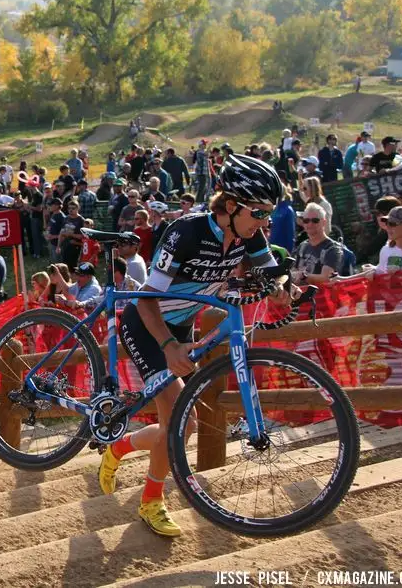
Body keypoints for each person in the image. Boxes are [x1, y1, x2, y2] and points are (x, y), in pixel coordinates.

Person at [100, 154, 285, 537]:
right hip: (148, 324)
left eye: (269, 214)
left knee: (178, 426)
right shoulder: (186, 232)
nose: (265, 222)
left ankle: (119, 448)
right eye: (259, 212)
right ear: (231, 206)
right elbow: (147, 298)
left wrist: (286, 290)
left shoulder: (249, 234)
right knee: (185, 422)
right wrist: (167, 346)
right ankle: (151, 501)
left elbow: (271, 275)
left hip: (181, 325)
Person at [292, 204, 344, 285]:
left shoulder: (333, 248)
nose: (310, 224)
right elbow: (293, 271)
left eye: (315, 220)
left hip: (321, 296)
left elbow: (326, 278)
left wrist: (304, 276)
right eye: (306, 221)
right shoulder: (302, 246)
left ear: (323, 222)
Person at [370, 206, 402, 274]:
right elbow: (381, 272)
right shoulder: (385, 250)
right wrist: (373, 271)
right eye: (386, 223)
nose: (387, 227)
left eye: (392, 224)